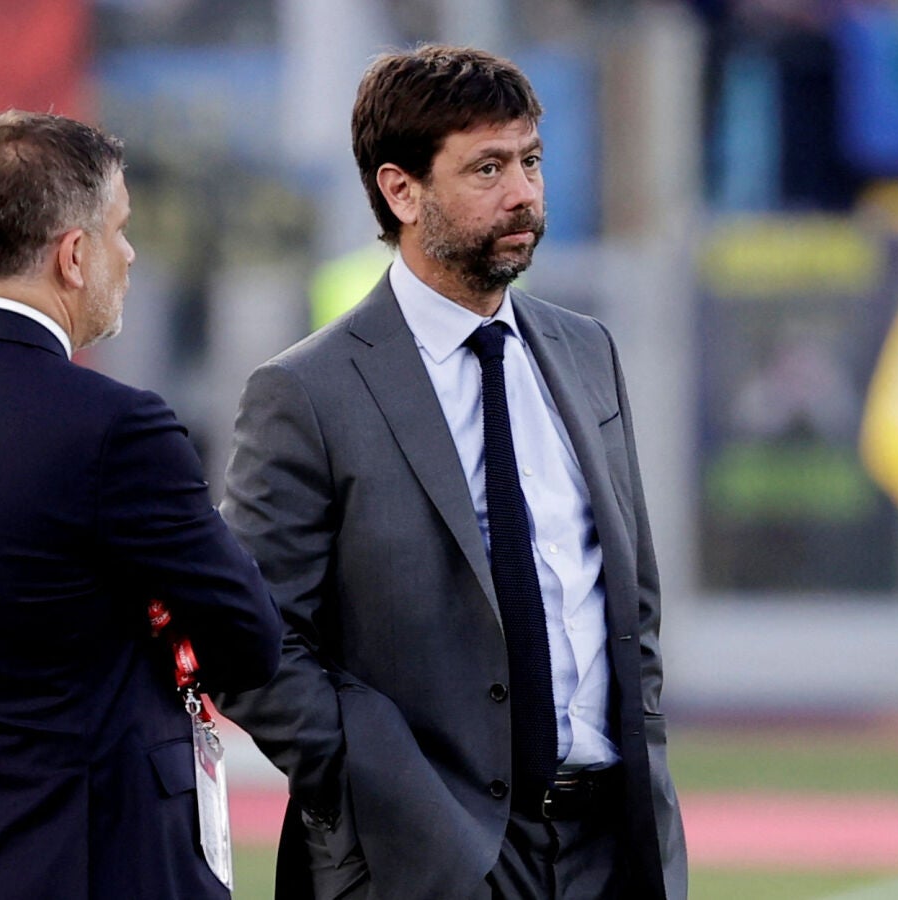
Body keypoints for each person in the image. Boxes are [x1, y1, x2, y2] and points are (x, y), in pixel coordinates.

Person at [215, 46, 688, 899]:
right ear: (402, 192)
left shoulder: (587, 352)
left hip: (606, 849)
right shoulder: (306, 392)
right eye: (488, 168)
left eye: (531, 161)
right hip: (422, 860)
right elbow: (252, 641)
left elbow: (631, 600)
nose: (524, 193)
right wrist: (383, 788)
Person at [0, 110, 283, 900]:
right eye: (119, 230)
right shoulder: (114, 428)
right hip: (90, 865)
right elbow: (248, 641)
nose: (129, 254)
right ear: (73, 256)